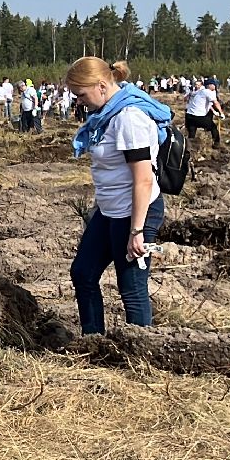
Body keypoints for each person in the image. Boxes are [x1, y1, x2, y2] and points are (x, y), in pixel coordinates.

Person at [66, 58, 170, 336]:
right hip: (110, 211)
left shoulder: (129, 118)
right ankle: (93, 340)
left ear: (101, 86)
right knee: (83, 272)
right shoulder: (106, 117)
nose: (79, 102)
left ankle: (140, 355)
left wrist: (137, 231)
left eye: (81, 95)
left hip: (135, 212)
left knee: (131, 286)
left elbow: (143, 178)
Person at [183, 79, 222, 150]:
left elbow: (208, 105)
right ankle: (216, 144)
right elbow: (216, 103)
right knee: (213, 127)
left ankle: (189, 148)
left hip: (189, 115)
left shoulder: (200, 92)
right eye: (213, 84)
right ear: (209, 85)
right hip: (198, 116)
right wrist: (221, 113)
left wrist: (214, 112)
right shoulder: (208, 91)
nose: (215, 86)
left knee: (192, 132)